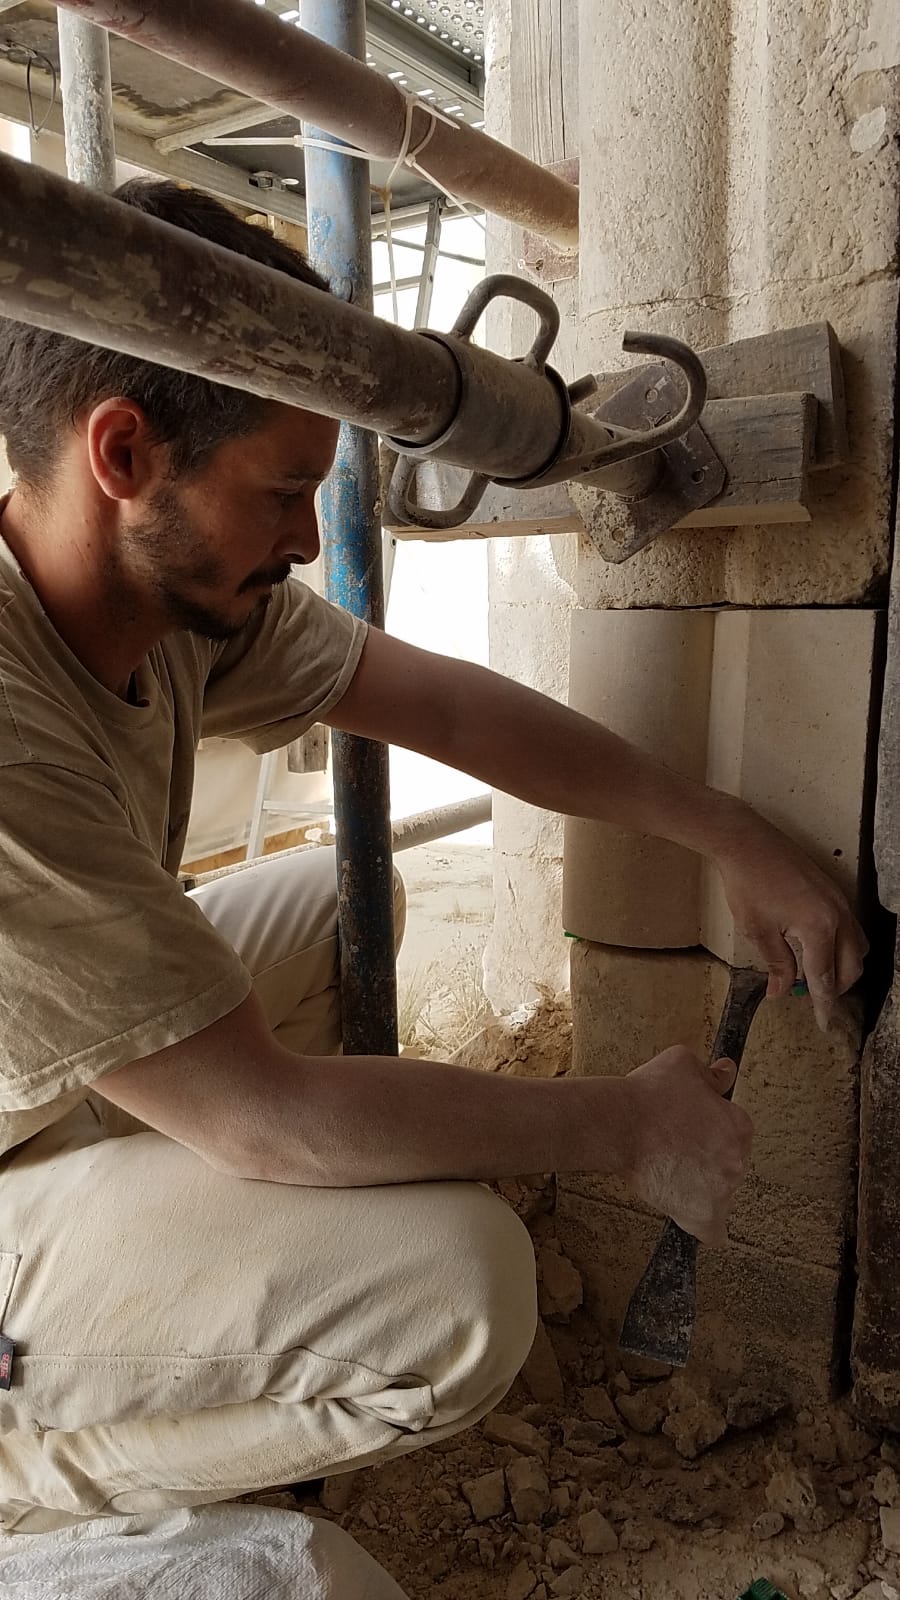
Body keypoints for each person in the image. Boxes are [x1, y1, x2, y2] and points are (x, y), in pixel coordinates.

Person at [0, 180, 866, 1534]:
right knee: (464, 1286)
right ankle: (33, 1459)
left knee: (339, 897)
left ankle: (135, 1236)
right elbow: (264, 1117)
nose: (307, 539)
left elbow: (452, 707)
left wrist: (729, 832)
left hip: (29, 1083)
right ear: (121, 456)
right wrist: (623, 1124)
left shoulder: (165, 601)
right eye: (285, 493)